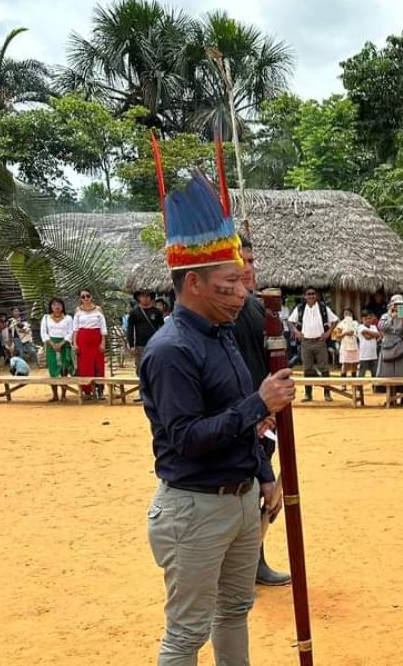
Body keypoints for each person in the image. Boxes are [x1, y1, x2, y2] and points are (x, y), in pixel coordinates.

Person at [140, 168, 297, 666]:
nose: (242, 292)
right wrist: (260, 403)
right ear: (194, 283)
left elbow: (242, 421)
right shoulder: (171, 351)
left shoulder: (222, 333)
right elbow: (187, 438)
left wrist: (264, 473)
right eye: (230, 282)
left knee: (234, 609)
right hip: (194, 508)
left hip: (241, 498)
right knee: (186, 634)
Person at [227, 236, 293, 588]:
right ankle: (236, 569)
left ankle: (255, 560)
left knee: (261, 492)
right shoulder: (224, 313)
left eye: (252, 261)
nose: (249, 268)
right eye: (243, 261)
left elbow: (273, 360)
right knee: (236, 492)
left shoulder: (257, 308)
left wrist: (274, 404)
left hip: (265, 415)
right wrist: (252, 408)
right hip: (239, 416)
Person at [289, 287, 338, 402]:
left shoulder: (323, 308)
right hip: (305, 342)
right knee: (307, 368)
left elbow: (335, 320)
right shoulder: (300, 308)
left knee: (324, 368)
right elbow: (290, 321)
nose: (311, 296)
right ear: (304, 296)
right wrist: (296, 332)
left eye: (313, 294)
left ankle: (327, 393)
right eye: (308, 294)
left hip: (320, 341)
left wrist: (328, 333)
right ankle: (308, 394)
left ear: (316, 295)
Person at [376, 294, 403, 404]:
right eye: (396, 305)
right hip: (388, 346)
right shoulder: (385, 316)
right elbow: (381, 328)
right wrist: (392, 318)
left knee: (402, 372)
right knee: (388, 373)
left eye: (400, 305)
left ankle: (402, 397)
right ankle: (390, 397)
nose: (398, 307)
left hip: (402, 347)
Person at [73, 289, 108, 401]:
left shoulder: (98, 310)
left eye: (88, 296)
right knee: (85, 366)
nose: (86, 298)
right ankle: (87, 391)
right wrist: (75, 343)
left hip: (96, 338)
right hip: (83, 339)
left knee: (98, 365)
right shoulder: (78, 311)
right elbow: (75, 329)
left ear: (91, 296)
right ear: (80, 299)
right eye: (83, 297)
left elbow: (103, 327)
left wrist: (103, 342)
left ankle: (100, 390)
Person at [40, 298, 75, 403]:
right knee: (53, 369)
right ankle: (55, 395)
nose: (57, 306)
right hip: (51, 345)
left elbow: (71, 332)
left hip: (64, 344)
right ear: (51, 307)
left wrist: (61, 343)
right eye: (54, 304)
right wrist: (52, 343)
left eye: (59, 304)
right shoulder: (46, 318)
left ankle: (64, 395)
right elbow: (43, 332)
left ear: (62, 306)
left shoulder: (68, 318)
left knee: (64, 369)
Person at [127, 290, 165, 372]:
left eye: (147, 296)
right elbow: (130, 328)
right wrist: (131, 345)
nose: (145, 298)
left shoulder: (157, 312)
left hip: (154, 344)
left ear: (151, 297)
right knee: (140, 368)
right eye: (143, 296)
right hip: (140, 345)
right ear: (139, 298)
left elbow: (162, 328)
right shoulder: (134, 312)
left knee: (154, 367)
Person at [335, 309, 361, 377]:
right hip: (345, 346)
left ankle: (354, 380)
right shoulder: (341, 323)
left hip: (354, 346)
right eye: (346, 314)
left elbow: (358, 333)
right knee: (345, 364)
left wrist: (353, 333)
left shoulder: (355, 323)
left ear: (352, 314)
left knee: (355, 363)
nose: (347, 315)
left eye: (349, 313)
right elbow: (337, 336)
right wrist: (345, 333)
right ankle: (343, 381)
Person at [357, 311, 380, 378]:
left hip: (373, 355)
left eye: (369, 318)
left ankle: (375, 385)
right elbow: (367, 337)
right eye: (366, 318)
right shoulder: (360, 327)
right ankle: (359, 385)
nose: (368, 320)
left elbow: (378, 335)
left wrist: (367, 331)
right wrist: (374, 335)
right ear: (362, 319)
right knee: (361, 374)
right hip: (364, 356)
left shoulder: (373, 327)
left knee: (375, 374)